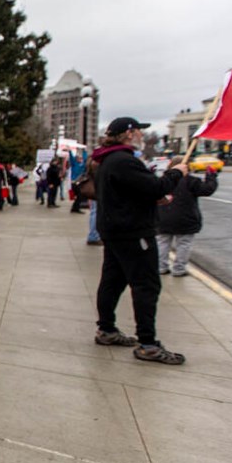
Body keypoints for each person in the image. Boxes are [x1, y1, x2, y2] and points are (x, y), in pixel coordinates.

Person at [92, 116, 189, 365]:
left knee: (112, 281)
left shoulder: (108, 159)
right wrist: (175, 173)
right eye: (138, 131)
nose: (141, 135)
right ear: (128, 133)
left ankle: (107, 329)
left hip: (115, 229)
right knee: (146, 284)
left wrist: (151, 198)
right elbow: (156, 187)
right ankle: (147, 343)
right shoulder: (123, 160)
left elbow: (130, 192)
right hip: (132, 232)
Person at [156, 158, 218, 277]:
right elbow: (207, 189)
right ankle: (179, 269)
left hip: (163, 218)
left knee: (162, 243)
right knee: (183, 244)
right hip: (185, 218)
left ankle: (161, 267)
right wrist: (211, 176)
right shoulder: (191, 181)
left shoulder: (163, 180)